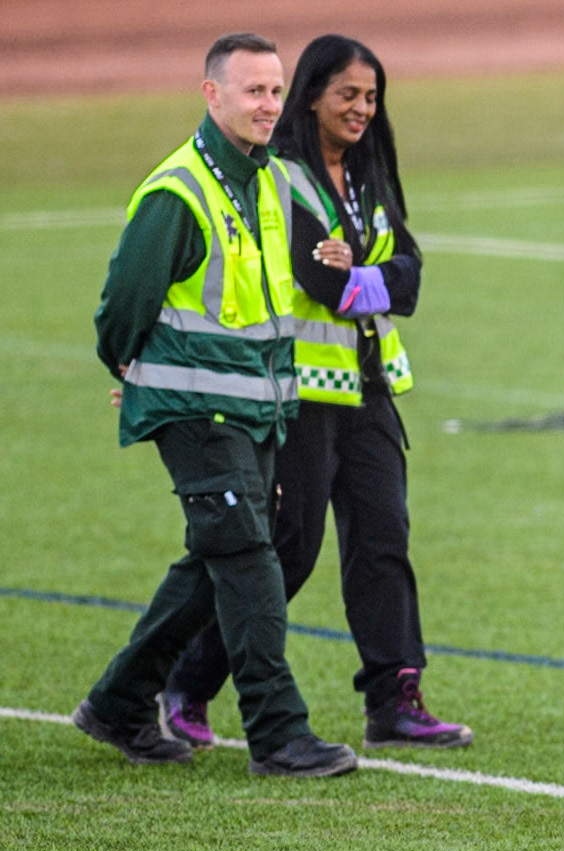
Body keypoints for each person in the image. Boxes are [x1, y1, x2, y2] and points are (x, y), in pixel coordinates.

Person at [157, 34, 471, 752]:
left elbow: (411, 277)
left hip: (367, 389)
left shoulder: (367, 177)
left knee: (384, 538)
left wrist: (359, 272)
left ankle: (393, 697)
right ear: (313, 96)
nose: (362, 109)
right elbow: (315, 280)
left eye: (371, 97)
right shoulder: (282, 174)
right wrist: (366, 278)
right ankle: (189, 680)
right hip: (298, 395)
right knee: (289, 550)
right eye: (347, 96)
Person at [77, 32, 357, 778]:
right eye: (253, 91)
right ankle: (278, 731)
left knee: (215, 557)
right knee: (246, 556)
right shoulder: (178, 192)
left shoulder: (270, 181)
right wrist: (140, 374)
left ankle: (119, 702)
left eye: (275, 91)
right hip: (198, 412)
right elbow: (122, 307)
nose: (269, 105)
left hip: (257, 409)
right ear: (212, 95)